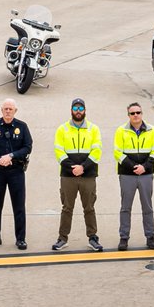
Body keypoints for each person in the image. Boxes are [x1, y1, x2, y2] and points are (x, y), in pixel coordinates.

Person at [52, 98, 103, 252]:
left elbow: (97, 151)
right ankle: (62, 238)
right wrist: (72, 168)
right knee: (67, 208)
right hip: (68, 176)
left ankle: (93, 238)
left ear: (85, 110)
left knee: (89, 207)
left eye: (81, 108)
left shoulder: (93, 129)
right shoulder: (62, 129)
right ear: (71, 111)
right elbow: (59, 151)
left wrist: (83, 167)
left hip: (88, 175)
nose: (78, 111)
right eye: (75, 108)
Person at [0, 98, 33, 250]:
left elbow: (28, 147)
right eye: (6, 109)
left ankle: (20, 239)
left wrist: (11, 156)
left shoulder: (22, 127)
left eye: (11, 109)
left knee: (19, 206)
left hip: (16, 172)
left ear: (15, 111)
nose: (8, 111)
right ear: (1, 110)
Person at [114, 101, 154, 251]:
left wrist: (144, 167)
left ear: (142, 114)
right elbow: (117, 152)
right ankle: (124, 238)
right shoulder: (121, 130)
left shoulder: (152, 130)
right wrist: (134, 167)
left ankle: (150, 237)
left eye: (138, 112)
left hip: (146, 174)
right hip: (127, 175)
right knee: (125, 208)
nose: (136, 115)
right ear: (128, 115)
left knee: (147, 207)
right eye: (132, 113)